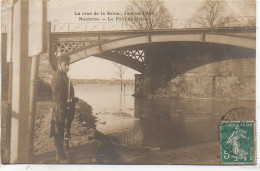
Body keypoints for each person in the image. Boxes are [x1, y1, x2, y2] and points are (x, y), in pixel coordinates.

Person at [49, 55, 78, 163]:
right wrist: (62, 109)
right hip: (60, 109)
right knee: (59, 133)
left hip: (67, 108)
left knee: (65, 131)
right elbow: (56, 96)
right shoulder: (57, 77)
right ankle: (60, 156)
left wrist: (73, 99)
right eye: (65, 65)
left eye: (68, 65)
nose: (67, 67)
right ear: (59, 65)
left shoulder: (65, 76)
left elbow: (67, 93)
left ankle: (65, 150)